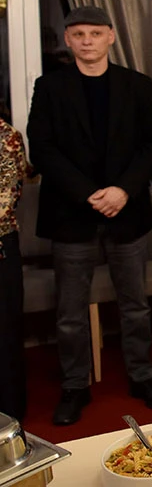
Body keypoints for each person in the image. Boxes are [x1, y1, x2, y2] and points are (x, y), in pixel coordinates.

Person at [27, 5, 152, 425]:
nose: (87, 40)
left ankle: (142, 376)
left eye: (95, 33)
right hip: (73, 213)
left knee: (135, 304)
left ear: (110, 36)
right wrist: (90, 193)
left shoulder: (137, 85)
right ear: (68, 40)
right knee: (70, 311)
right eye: (78, 34)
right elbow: (43, 149)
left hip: (126, 211)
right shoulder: (49, 87)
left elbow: (151, 144)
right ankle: (75, 384)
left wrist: (123, 190)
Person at [0, 121, 27, 420]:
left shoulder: (6, 137)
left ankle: (10, 418)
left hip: (2, 246)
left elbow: (7, 198)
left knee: (4, 336)